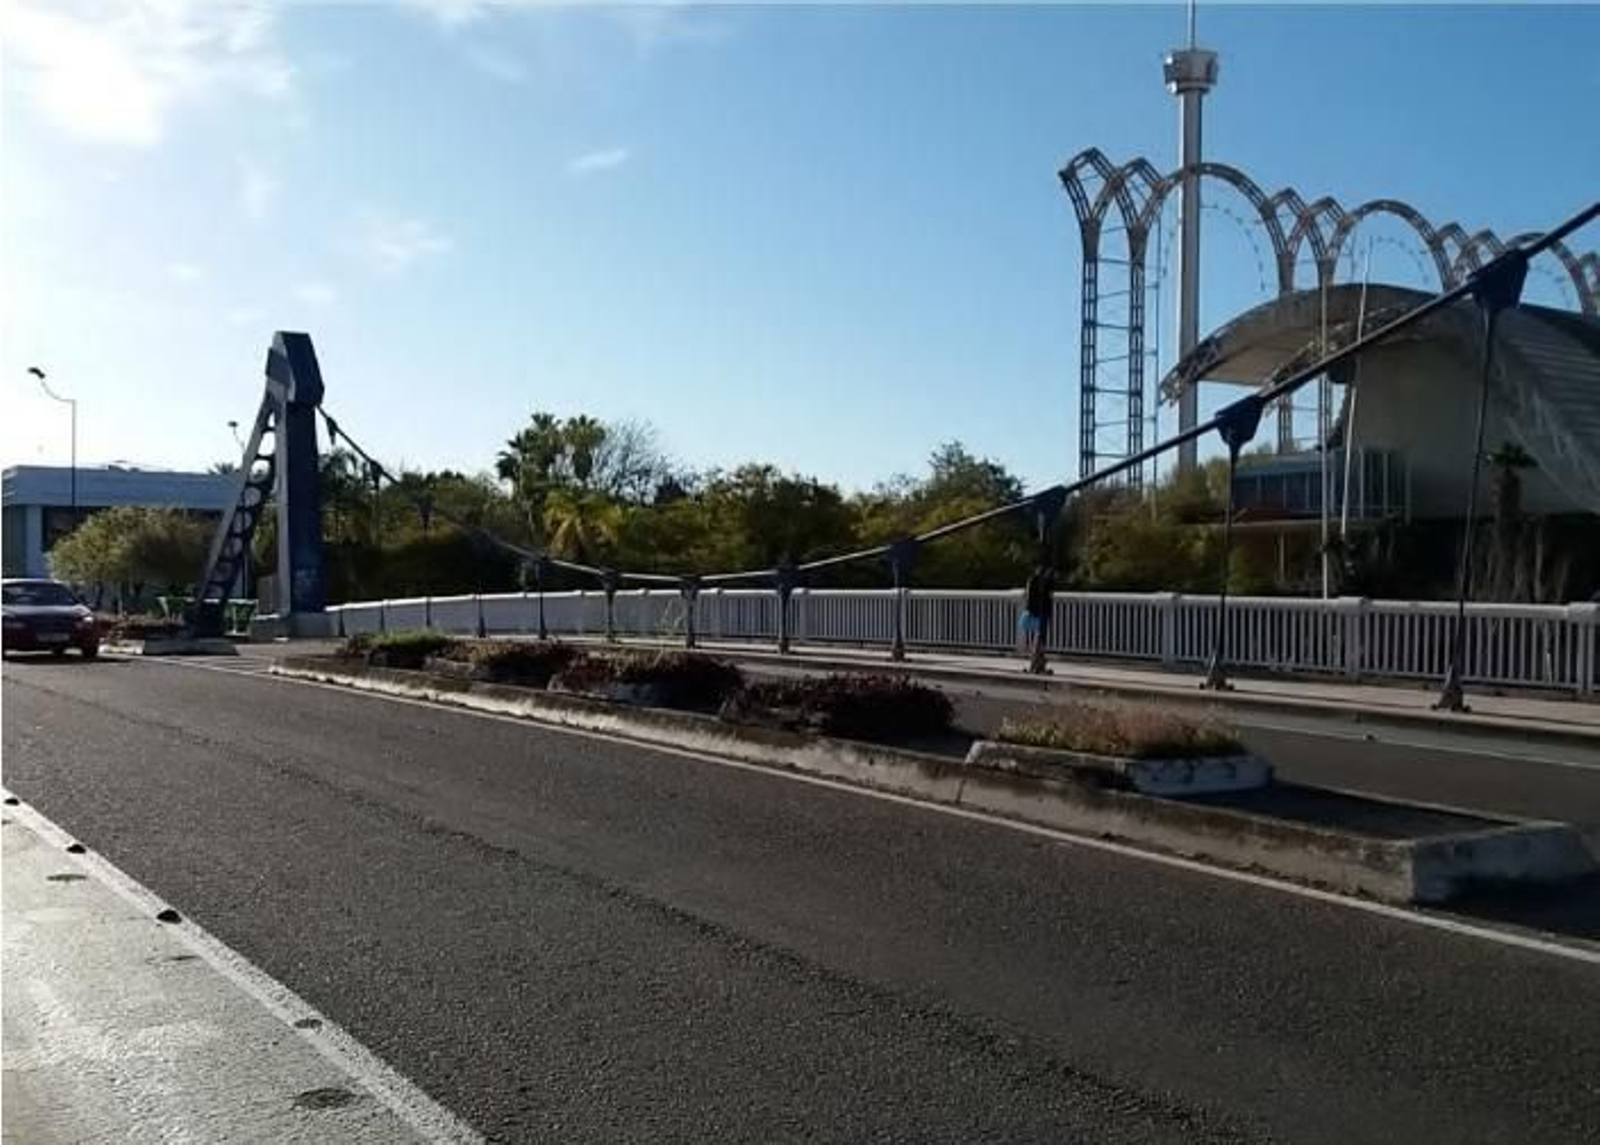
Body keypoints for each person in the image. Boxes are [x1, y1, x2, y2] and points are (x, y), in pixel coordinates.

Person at [1022, 563, 1056, 674]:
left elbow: (1028, 597)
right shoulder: (1046, 582)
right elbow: (1050, 596)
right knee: (1040, 639)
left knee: (1036, 638)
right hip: (1042, 613)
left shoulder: (1032, 580)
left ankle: (1036, 664)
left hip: (1034, 612)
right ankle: (1037, 664)